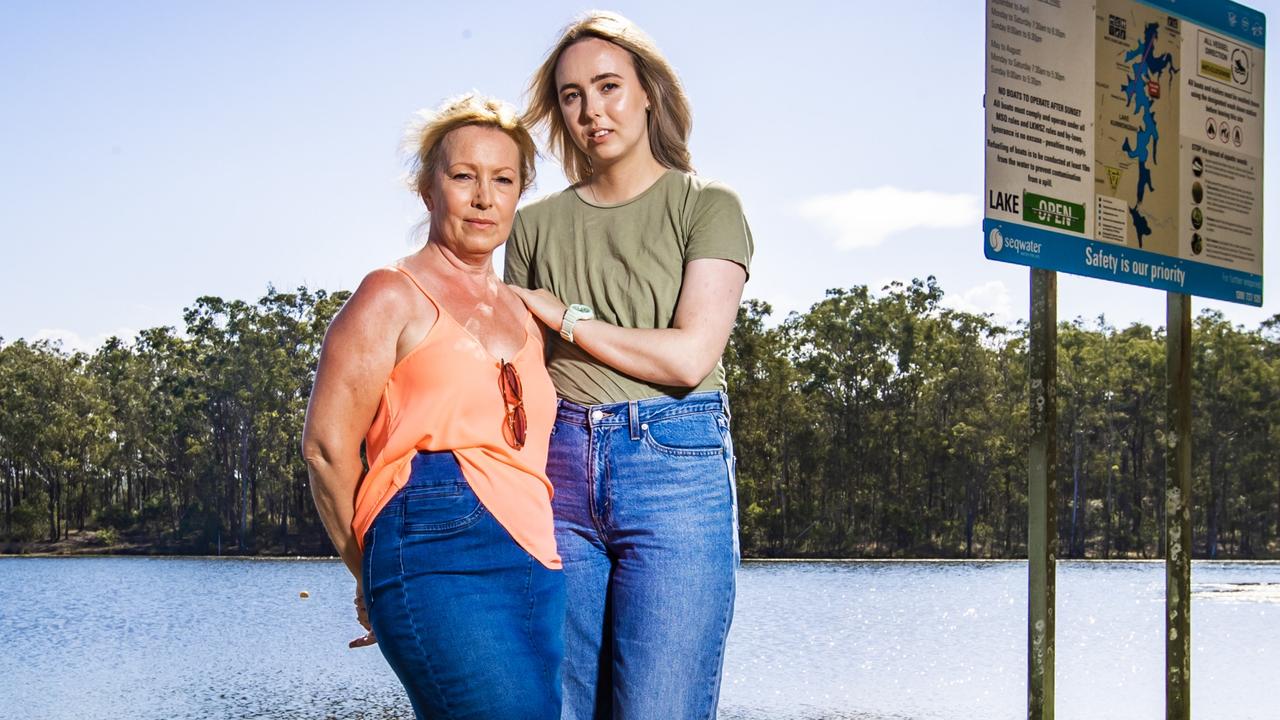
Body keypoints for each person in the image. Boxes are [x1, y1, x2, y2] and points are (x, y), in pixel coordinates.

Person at [505, 12, 753, 719]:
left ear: (648, 92)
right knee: (558, 706)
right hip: (557, 464)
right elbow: (518, 377)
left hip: (676, 464)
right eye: (572, 96)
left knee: (659, 709)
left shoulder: (707, 205)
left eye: (609, 86)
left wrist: (565, 316)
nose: (591, 110)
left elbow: (688, 357)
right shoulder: (532, 225)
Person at [302, 93, 565, 720]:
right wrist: (365, 569)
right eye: (463, 176)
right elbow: (326, 448)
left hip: (536, 556)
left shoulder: (531, 312)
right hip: (434, 544)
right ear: (428, 189)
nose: (484, 197)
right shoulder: (391, 295)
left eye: (503, 180)